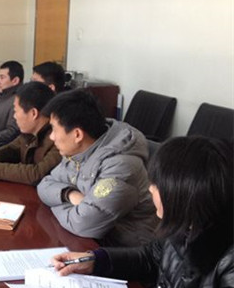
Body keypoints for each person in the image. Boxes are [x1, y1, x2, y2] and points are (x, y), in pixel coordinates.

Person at [52, 136, 233, 288]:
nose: (150, 189)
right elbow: (152, 257)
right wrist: (95, 260)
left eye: (157, 184)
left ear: (183, 194)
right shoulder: (189, 222)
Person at [37, 90, 157, 248]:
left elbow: (83, 224)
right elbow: (44, 185)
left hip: (124, 251)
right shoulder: (80, 150)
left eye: (54, 129)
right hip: (89, 242)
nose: (51, 137)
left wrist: (55, 203)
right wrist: (69, 194)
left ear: (77, 134)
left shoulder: (121, 166)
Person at [0, 81, 61, 185]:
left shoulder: (59, 139)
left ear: (33, 113)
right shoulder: (29, 133)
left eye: (16, 111)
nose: (14, 117)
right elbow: (13, 148)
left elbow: (37, 174)